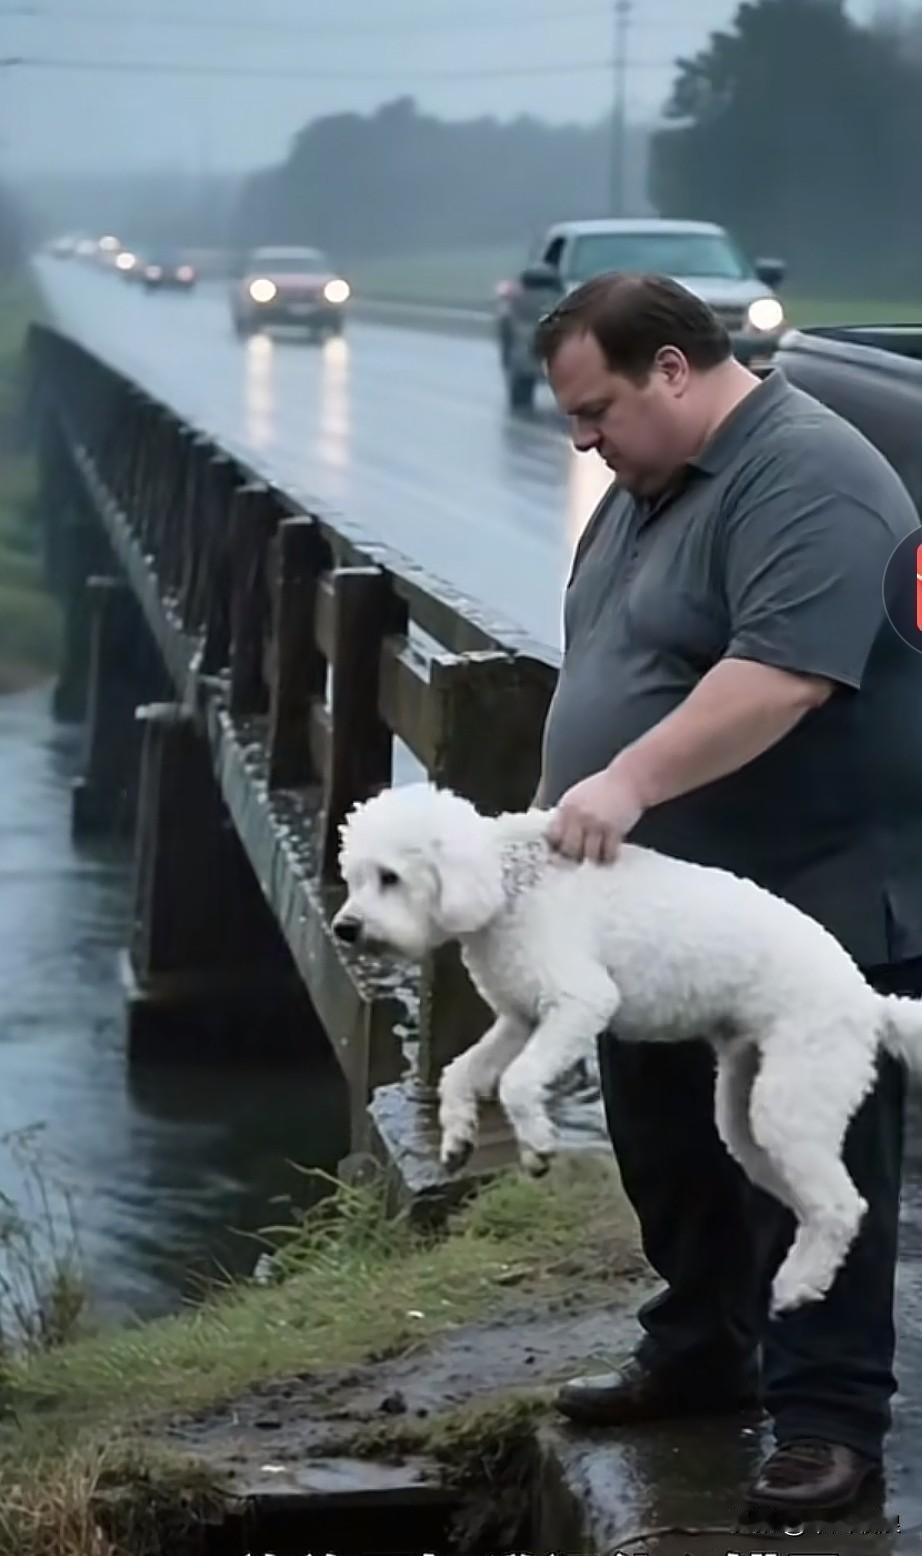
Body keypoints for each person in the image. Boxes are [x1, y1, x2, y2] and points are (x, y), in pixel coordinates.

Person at [532, 272, 922, 1520]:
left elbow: (780, 676)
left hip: (808, 896)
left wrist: (629, 778)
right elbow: (618, 654)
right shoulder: (647, 484)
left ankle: (826, 1422)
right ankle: (702, 1348)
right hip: (665, 905)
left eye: (596, 407)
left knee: (807, 1163)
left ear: (672, 370)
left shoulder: (808, 474)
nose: (581, 437)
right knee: (666, 1135)